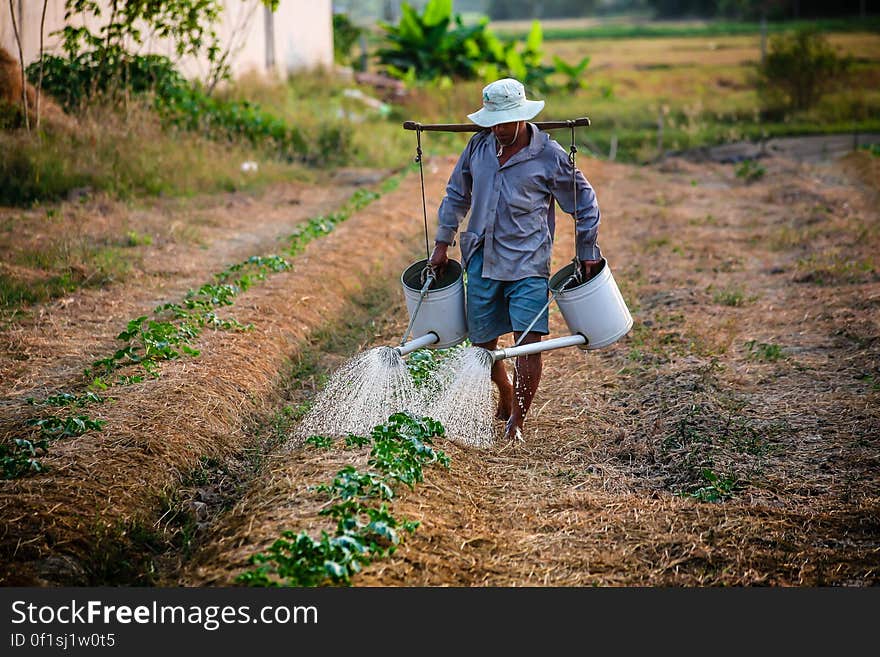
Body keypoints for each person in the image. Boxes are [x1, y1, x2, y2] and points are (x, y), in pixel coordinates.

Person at [428, 78, 603, 442]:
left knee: (529, 342)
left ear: (523, 117)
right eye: (494, 122)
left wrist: (586, 250)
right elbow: (456, 195)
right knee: (483, 345)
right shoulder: (478, 147)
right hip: (481, 258)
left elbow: (584, 203)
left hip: (528, 263)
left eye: (506, 122)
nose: (500, 130)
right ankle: (505, 390)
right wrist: (442, 243)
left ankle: (516, 423)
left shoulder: (549, 155)